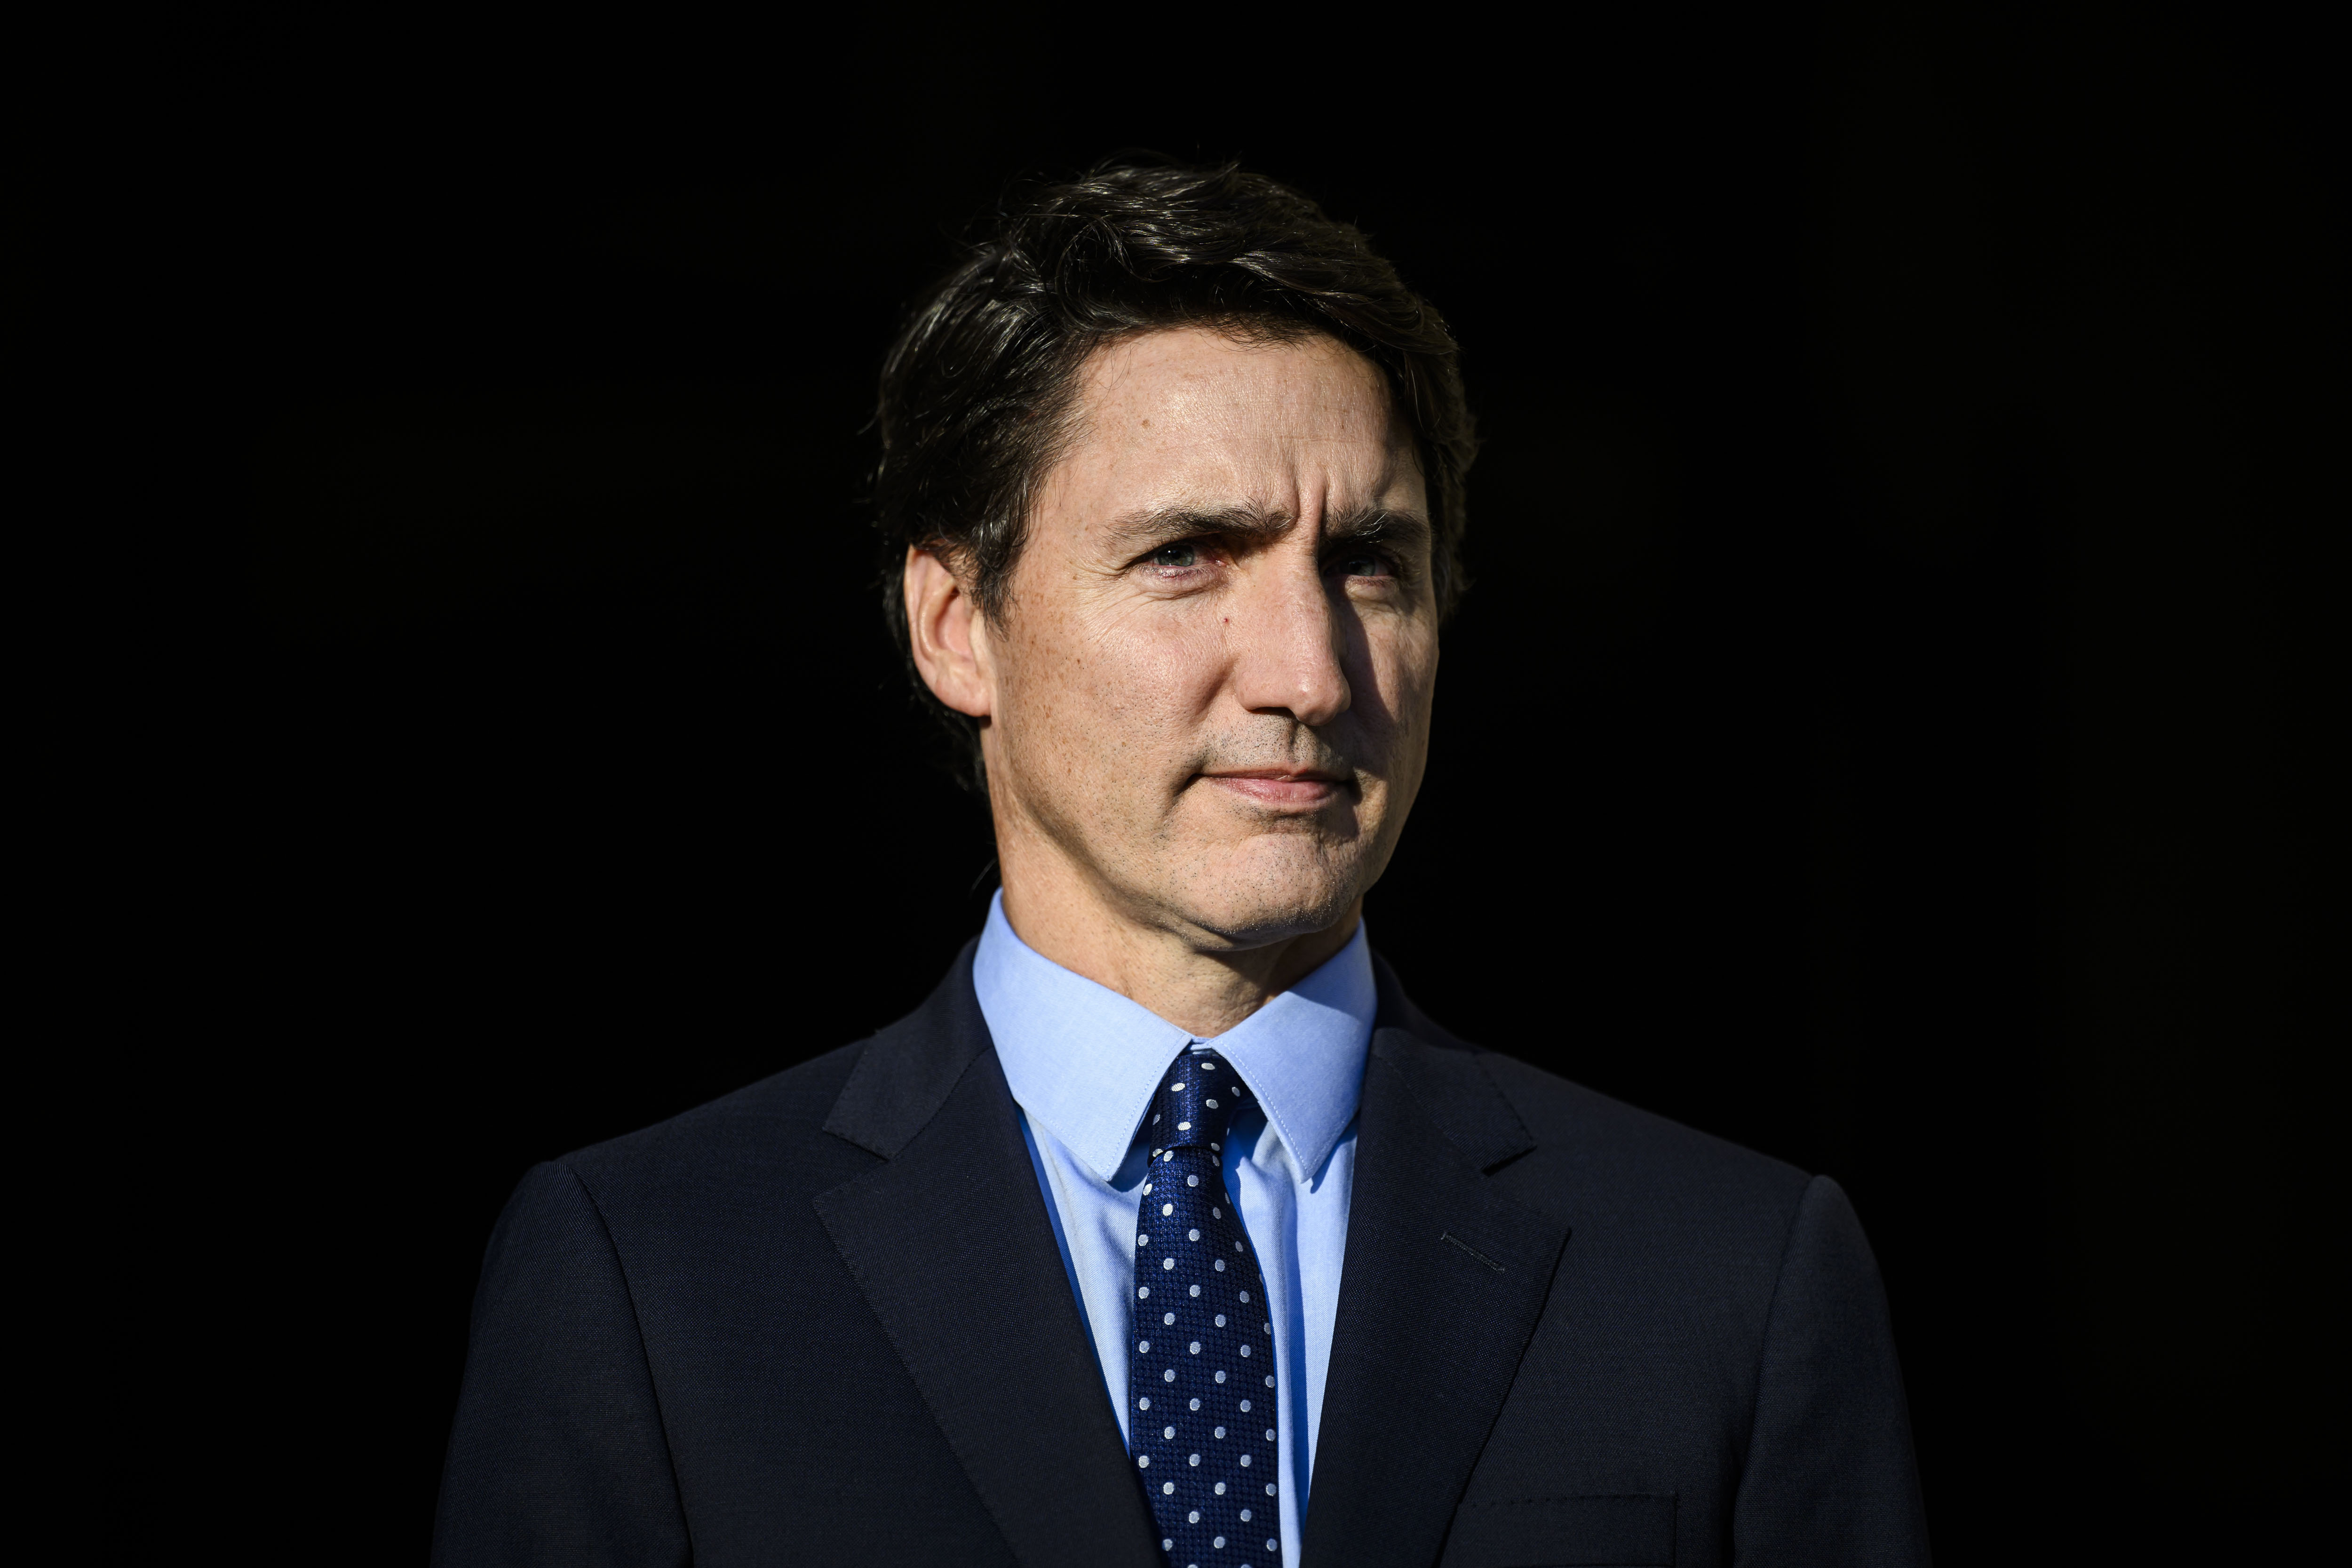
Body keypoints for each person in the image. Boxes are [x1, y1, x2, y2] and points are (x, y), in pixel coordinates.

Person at [431, 157, 1929, 1568]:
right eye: (1188, 556)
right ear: (959, 623)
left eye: (1369, 564)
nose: (1310, 671)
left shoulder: (1729, 1279)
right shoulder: (652, 1280)